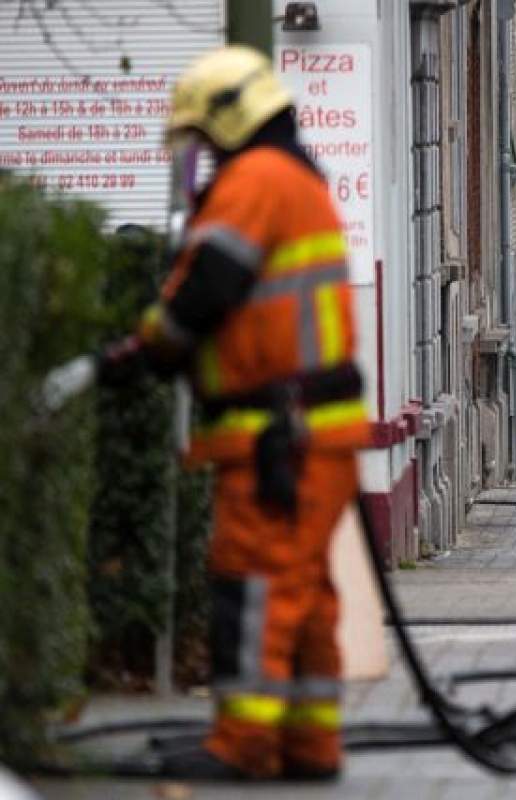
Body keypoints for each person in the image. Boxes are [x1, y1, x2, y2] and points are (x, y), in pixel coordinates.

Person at [98, 46, 370, 781]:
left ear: (228, 119)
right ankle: (310, 745)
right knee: (303, 593)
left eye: (200, 135)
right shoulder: (293, 177)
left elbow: (206, 286)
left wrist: (145, 351)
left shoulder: (256, 179)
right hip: (316, 432)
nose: (198, 153)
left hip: (276, 437)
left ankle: (243, 744)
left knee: (252, 584)